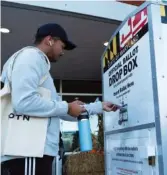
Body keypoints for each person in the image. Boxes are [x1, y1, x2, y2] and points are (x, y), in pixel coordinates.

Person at [1, 23, 118, 175]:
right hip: (27, 152)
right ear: (49, 40)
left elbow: (57, 110)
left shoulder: (38, 63)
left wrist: (99, 106)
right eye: (61, 46)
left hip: (34, 152)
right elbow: (23, 102)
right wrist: (67, 107)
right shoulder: (30, 57)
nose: (62, 52)